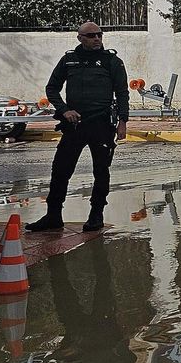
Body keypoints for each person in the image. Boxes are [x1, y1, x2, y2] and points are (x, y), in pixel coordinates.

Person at [29, 22, 129, 232]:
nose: (97, 38)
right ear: (80, 38)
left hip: (101, 123)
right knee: (60, 170)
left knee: (101, 171)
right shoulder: (69, 60)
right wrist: (64, 110)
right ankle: (53, 215)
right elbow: (52, 88)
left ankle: (96, 215)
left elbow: (122, 93)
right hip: (74, 124)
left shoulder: (112, 61)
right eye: (91, 35)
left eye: (99, 35)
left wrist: (123, 122)